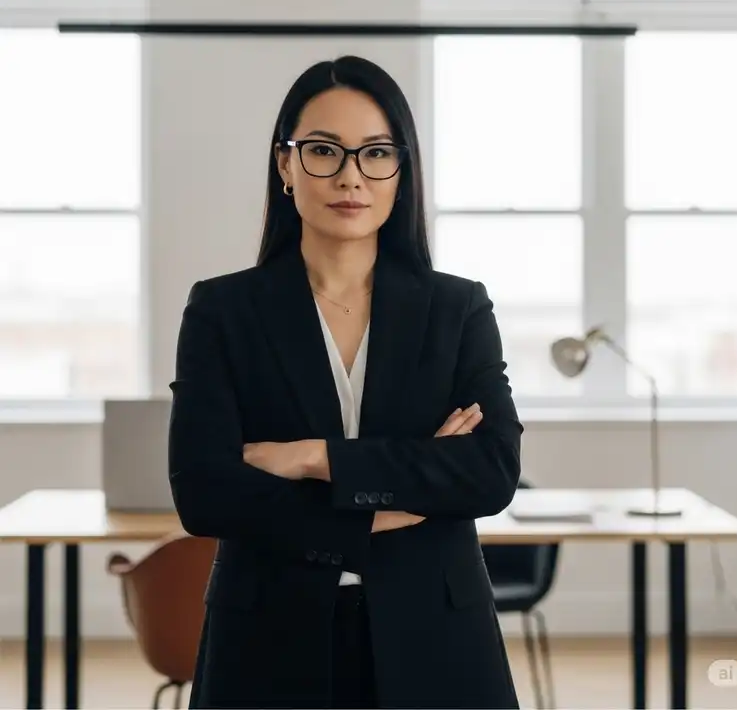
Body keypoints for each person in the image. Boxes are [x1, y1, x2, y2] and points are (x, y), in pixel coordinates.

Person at [168, 55, 524, 709]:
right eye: (324, 151)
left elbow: (491, 471)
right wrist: (396, 502)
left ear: (401, 170)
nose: (350, 177)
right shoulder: (223, 311)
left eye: (376, 154)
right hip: (266, 640)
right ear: (285, 165)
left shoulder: (457, 309)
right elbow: (206, 492)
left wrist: (315, 459)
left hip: (437, 636)